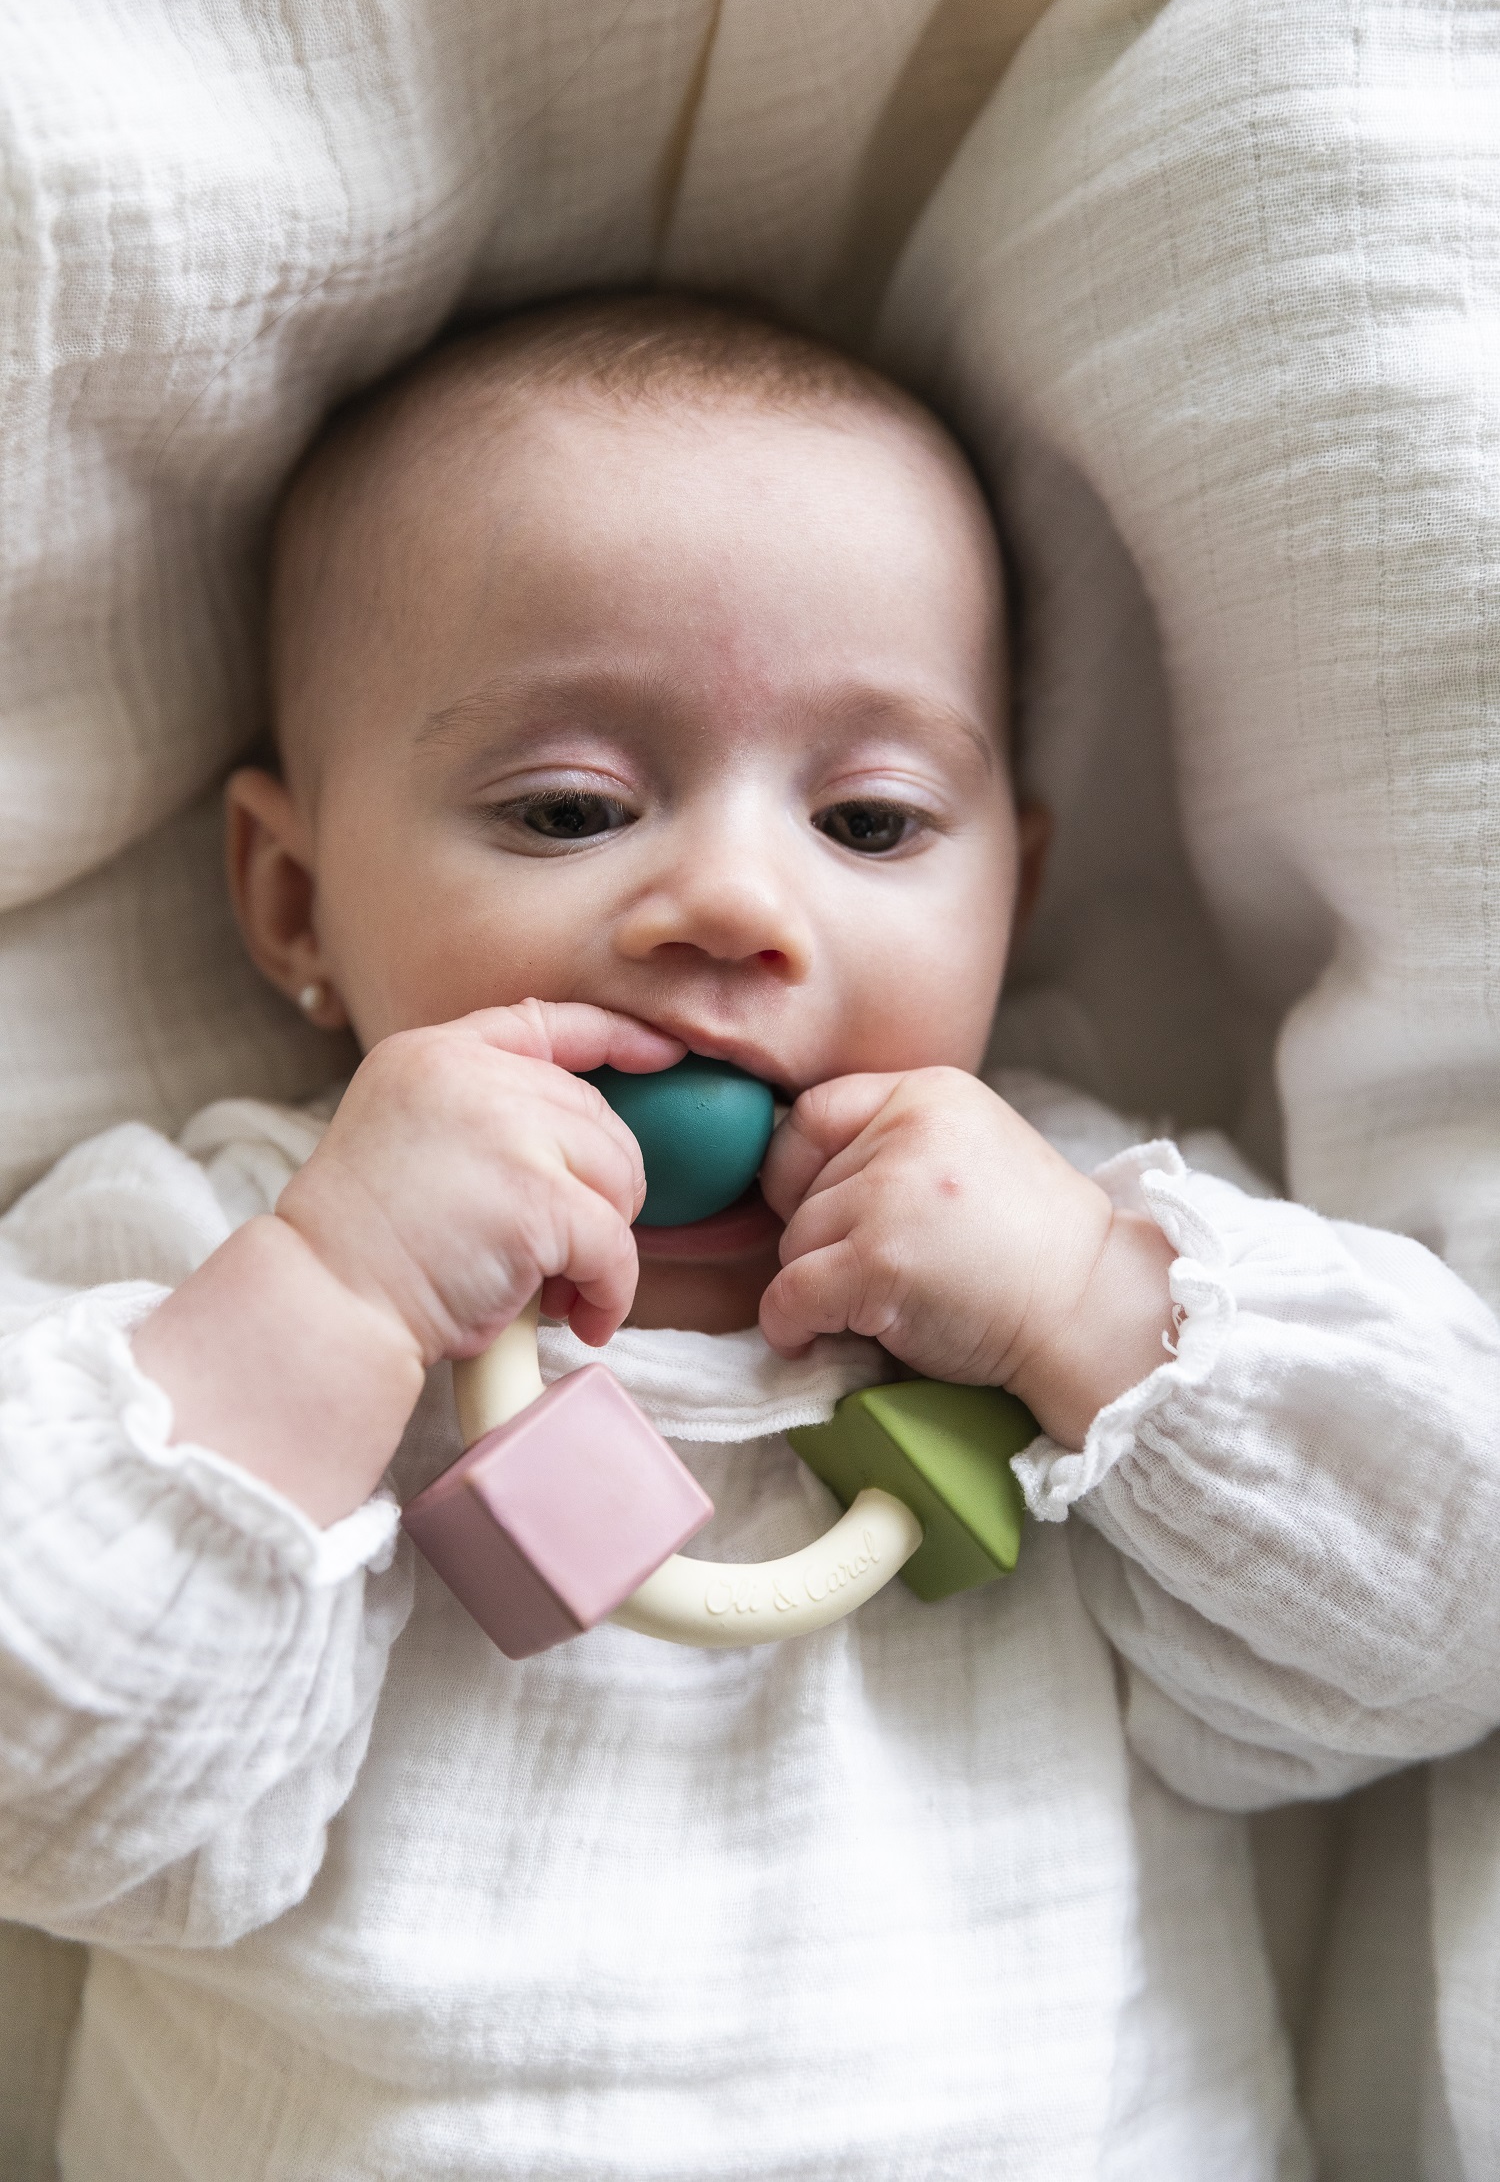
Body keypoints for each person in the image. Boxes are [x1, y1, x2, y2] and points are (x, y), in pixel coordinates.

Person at [4, 291, 1498, 2181]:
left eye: (869, 823)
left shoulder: (1102, 1241)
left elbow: (1454, 1616)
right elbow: (42, 1789)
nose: (727, 901)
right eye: (569, 805)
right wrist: (334, 1293)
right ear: (295, 901)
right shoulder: (209, 1246)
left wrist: (1093, 1305)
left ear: (1012, 899)